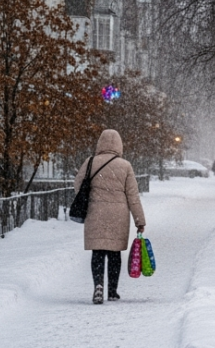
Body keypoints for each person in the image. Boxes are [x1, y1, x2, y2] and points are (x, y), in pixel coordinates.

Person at [74, 129, 146, 305]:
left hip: (95, 213)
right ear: (119, 145)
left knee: (97, 251)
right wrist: (140, 220)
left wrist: (91, 200)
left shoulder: (90, 162)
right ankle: (112, 291)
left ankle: (98, 285)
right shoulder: (125, 166)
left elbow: (78, 185)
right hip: (118, 215)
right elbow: (133, 196)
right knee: (114, 253)